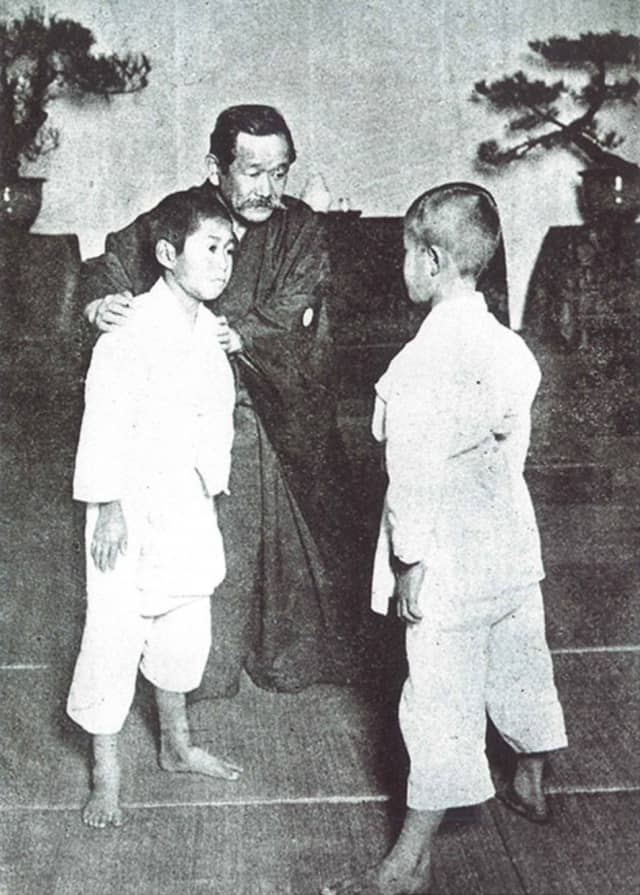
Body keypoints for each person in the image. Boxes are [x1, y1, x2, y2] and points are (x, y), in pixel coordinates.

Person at [322, 183, 567, 895]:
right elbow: (514, 451)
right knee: (521, 662)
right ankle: (530, 777)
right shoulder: (509, 348)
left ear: (430, 261)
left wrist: (410, 561)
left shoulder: (418, 366)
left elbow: (410, 475)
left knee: (436, 698)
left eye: (406, 252)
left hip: (448, 559)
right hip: (509, 543)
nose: (403, 265)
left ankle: (407, 861)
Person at [76, 104, 365, 698]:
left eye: (279, 173)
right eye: (252, 172)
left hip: (271, 406)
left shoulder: (300, 227)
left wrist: (244, 336)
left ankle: (282, 656)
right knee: (192, 549)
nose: (267, 189)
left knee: (285, 542)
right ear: (216, 168)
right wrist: (100, 302)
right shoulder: (182, 213)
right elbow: (114, 261)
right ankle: (194, 673)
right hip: (189, 413)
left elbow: (298, 305)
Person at [68, 189, 242, 828]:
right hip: (129, 505)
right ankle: (105, 774)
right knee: (114, 633)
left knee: (185, 627)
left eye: (230, 250)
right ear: (168, 254)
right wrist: (108, 506)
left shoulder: (210, 333)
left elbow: (214, 418)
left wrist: (209, 489)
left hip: (188, 503)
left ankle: (176, 744)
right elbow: (104, 421)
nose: (223, 262)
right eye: (210, 248)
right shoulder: (129, 328)